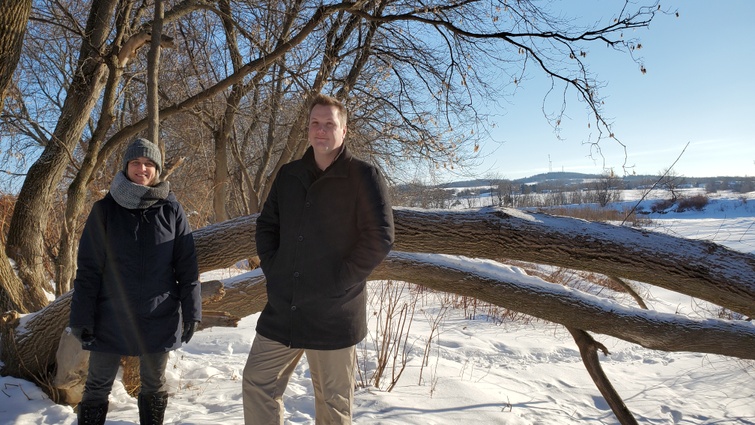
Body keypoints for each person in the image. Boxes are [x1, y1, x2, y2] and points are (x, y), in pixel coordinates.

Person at [243, 94, 395, 424]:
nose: (321, 131)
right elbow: (267, 225)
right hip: (285, 306)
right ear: (308, 129)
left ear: (344, 131)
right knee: (257, 383)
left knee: (333, 404)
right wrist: (274, 267)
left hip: (334, 313)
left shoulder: (364, 177)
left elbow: (380, 236)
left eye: (329, 124)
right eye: (315, 123)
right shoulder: (289, 175)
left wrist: (338, 282)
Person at [68, 138, 201, 425]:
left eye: (149, 164)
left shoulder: (171, 210)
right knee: (97, 385)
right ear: (126, 166)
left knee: (154, 385)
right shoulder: (104, 210)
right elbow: (88, 269)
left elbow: (187, 267)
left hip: (159, 314)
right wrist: (81, 316)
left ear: (157, 170)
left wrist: (192, 312)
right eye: (136, 163)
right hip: (110, 315)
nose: (142, 168)